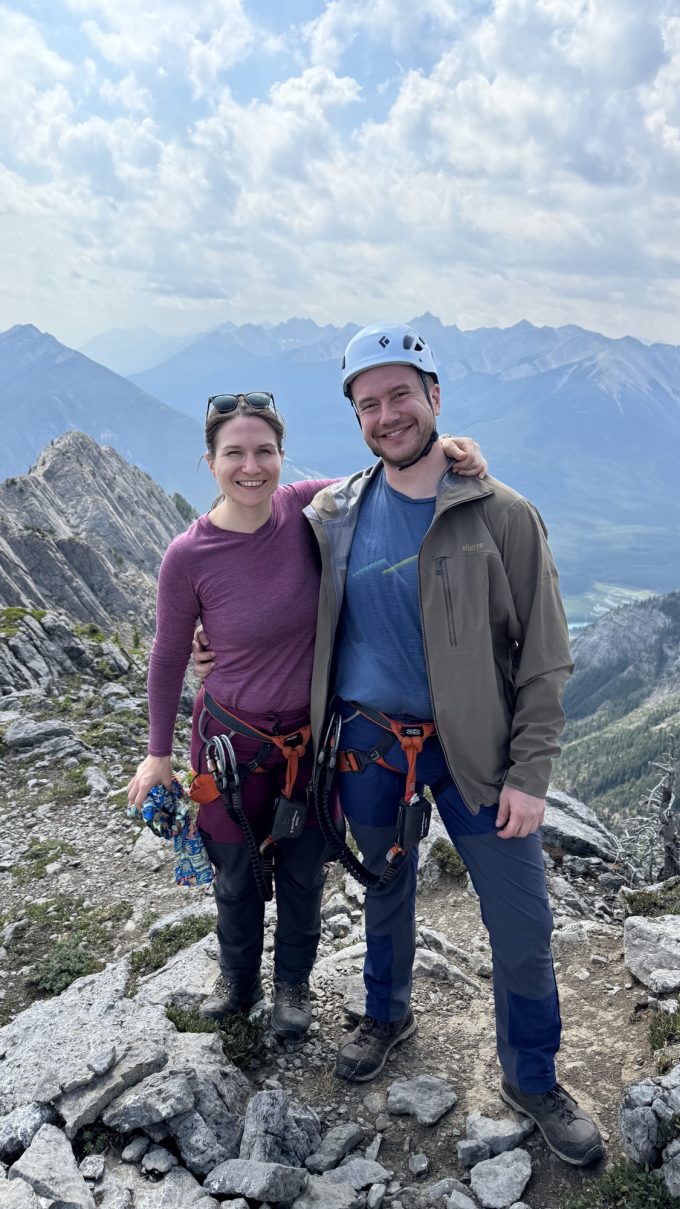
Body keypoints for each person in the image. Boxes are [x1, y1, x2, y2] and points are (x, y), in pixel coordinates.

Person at [298, 321, 604, 1168]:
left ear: (436, 397)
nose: (388, 414)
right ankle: (386, 1012)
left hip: (480, 754)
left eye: (402, 394)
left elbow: (545, 657)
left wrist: (531, 772)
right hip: (371, 749)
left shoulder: (502, 515)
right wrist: (209, 641)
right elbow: (250, 537)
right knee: (385, 892)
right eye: (370, 403)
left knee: (522, 921)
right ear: (356, 418)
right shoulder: (333, 513)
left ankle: (533, 1076)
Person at [128, 389, 486, 1044]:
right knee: (232, 868)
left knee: (302, 869)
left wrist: (446, 450)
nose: (251, 466)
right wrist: (157, 754)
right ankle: (238, 983)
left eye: (264, 451)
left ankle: (292, 986)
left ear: (282, 457)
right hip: (224, 747)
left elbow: (384, 475)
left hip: (314, 745)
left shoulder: (308, 508)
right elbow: (169, 651)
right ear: (209, 461)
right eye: (234, 452)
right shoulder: (189, 556)